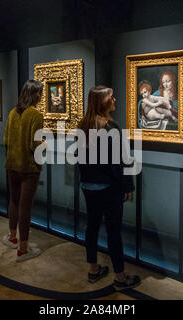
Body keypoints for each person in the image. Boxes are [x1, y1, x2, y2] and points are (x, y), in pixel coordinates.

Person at [78, 85, 141, 291]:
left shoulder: (83, 125)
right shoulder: (109, 127)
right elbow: (119, 162)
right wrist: (127, 186)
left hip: (88, 186)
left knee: (92, 227)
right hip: (109, 187)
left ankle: (93, 269)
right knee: (113, 231)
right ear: (103, 102)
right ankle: (120, 277)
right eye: (112, 98)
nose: (115, 100)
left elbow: (81, 160)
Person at [2, 80, 46, 262]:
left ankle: (12, 237)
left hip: (12, 165)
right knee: (25, 207)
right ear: (36, 95)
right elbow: (34, 144)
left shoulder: (13, 112)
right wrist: (45, 144)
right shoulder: (35, 114)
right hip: (29, 168)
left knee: (14, 201)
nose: (42, 97)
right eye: (41, 93)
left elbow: (5, 140)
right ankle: (23, 249)